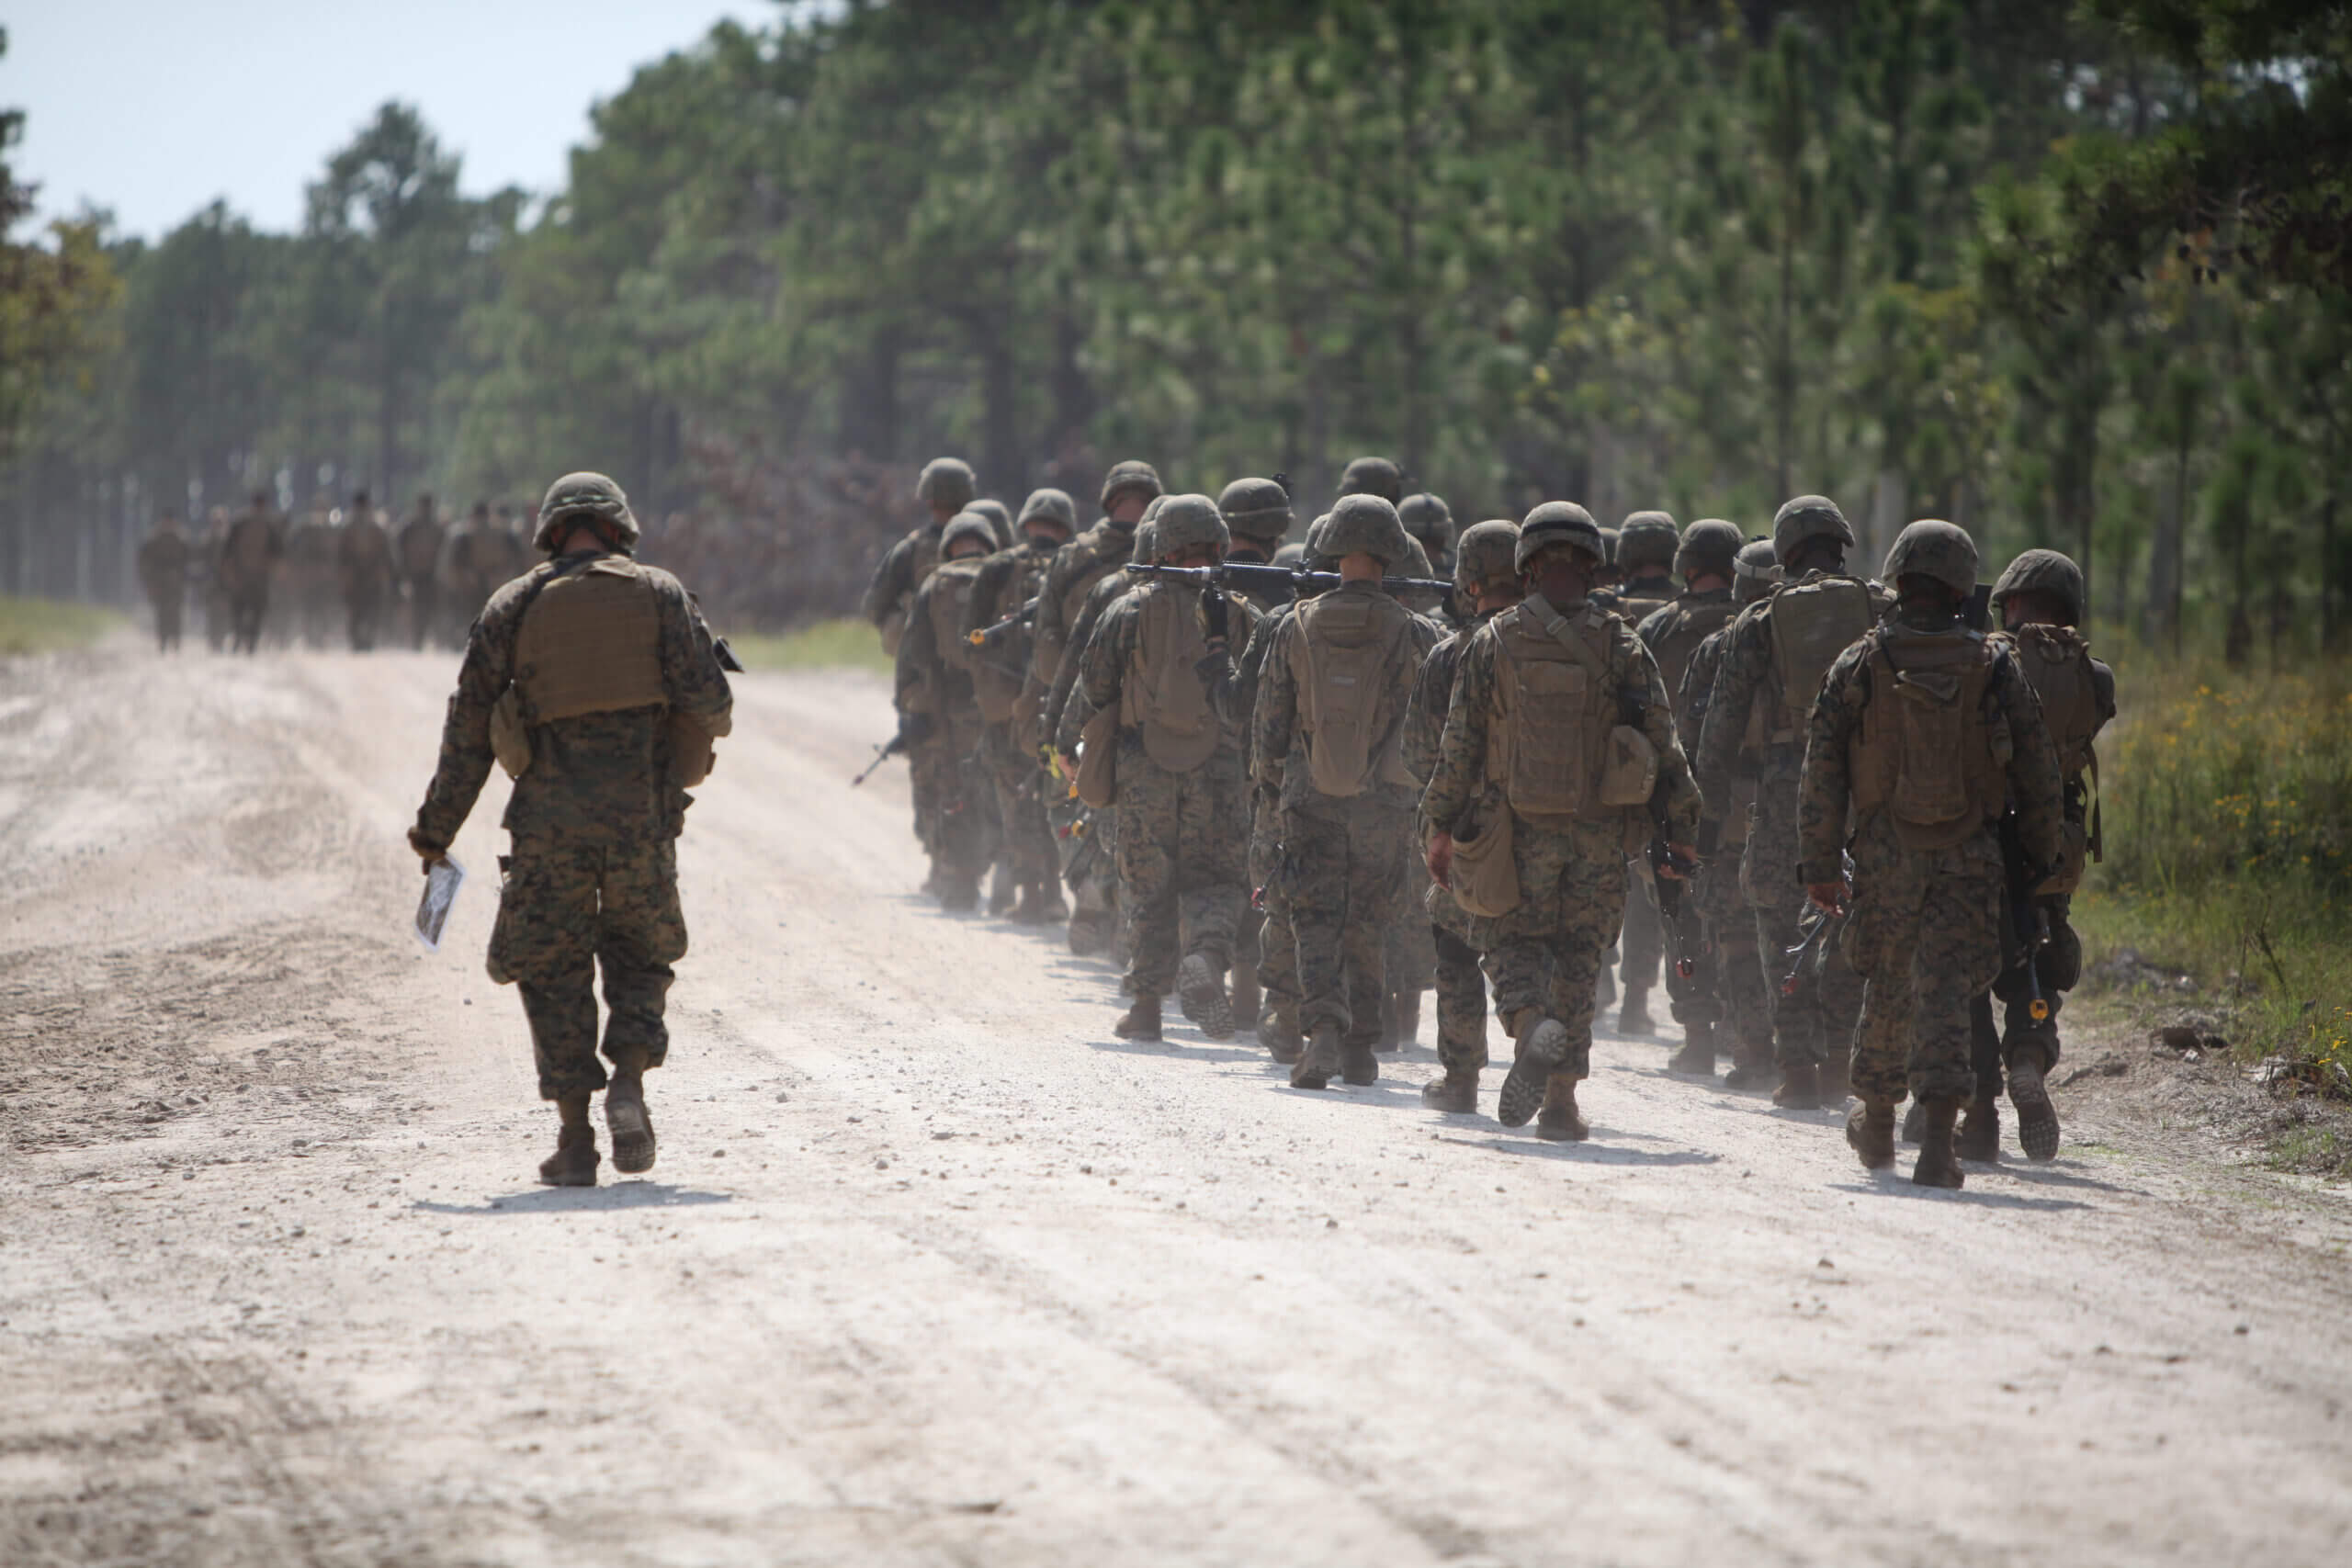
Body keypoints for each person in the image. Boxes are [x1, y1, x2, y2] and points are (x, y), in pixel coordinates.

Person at [407, 472, 733, 1188]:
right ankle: (630, 1081)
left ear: (552, 534)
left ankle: (576, 1137)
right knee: (642, 953)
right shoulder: (661, 594)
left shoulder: (513, 605)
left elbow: (469, 732)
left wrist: (436, 829)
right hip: (641, 819)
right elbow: (714, 703)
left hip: (548, 825)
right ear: (619, 530)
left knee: (551, 967)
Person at [1798, 520, 2064, 1189]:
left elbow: (1821, 767)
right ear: (1960, 588)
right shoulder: (1994, 664)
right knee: (1948, 989)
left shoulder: (1860, 661)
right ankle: (1939, 1141)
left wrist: (1820, 865)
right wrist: (2039, 861)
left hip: (1885, 852)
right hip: (1968, 856)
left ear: (1899, 579)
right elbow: (2038, 769)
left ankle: (1878, 1120)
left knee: (1888, 982)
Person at [1420, 502, 1699, 1136]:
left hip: (1514, 832)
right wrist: (1683, 830)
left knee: (1510, 941)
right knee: (1579, 962)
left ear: (1528, 567)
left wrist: (1438, 826)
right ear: (1593, 566)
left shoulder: (1493, 640)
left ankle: (1528, 1024)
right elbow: (1665, 744)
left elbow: (1458, 745)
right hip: (1598, 839)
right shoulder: (1623, 644)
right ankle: (1562, 1104)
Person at [1691, 495, 1880, 1110]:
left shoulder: (1760, 621)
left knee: (1777, 926)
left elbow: (1720, 728)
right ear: (1840, 546)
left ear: (1786, 551)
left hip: (1783, 793)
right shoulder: (1880, 609)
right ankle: (1839, 1065)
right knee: (1849, 924)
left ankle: (1796, 1069)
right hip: (1863, 792)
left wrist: (1708, 815)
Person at [1252, 495, 1437, 1089]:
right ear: (1391, 553)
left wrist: (1272, 791)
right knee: (1368, 920)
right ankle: (1361, 1046)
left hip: (1310, 794)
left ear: (1333, 550)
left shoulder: (1296, 623)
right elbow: (1433, 728)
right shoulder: (1418, 632)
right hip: (1386, 801)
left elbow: (1269, 725)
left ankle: (1324, 1032)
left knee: (1313, 916)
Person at [1076, 495, 1256, 1040]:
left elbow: (1094, 686)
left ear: (1162, 547)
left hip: (1144, 770)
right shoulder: (1240, 615)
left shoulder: (1127, 610)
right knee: (1218, 880)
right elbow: (1257, 698)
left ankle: (1147, 1008)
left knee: (1147, 887)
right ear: (1219, 545)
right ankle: (1205, 956)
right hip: (1219, 772)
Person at [1982, 547, 2114, 1160]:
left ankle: (1973, 1101)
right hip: (2054, 842)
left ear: (2011, 601)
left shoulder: (1991, 660)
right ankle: (2029, 1056)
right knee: (2036, 959)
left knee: (1966, 966)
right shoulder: (2095, 676)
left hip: (1985, 833)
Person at [1402, 518, 1520, 1111]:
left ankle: (1462, 1077)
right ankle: (1547, 1068)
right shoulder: (1551, 645)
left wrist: (1438, 820)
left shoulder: (1450, 654)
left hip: (1466, 829)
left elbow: (1417, 752)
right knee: (1528, 947)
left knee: (1454, 945)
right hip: (1544, 826)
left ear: (1469, 583)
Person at [1027, 460, 1164, 952]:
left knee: (1065, 800)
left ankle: (1090, 889)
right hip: (1166, 721)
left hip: (1088, 708)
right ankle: (1125, 913)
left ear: (1109, 499)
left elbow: (1054, 653)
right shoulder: (1182, 563)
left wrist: (1053, 729)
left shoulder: (1074, 559)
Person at [1667, 537, 1781, 1081]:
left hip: (1735, 809)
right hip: (1811, 806)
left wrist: (1697, 821)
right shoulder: (1829, 639)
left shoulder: (1719, 648)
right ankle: (1812, 1057)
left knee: (1734, 930)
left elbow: (1692, 739)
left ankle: (1754, 1047)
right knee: (1800, 926)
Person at [1633, 518, 1743, 1071]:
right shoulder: (1754, 623)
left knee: (1680, 912)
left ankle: (1698, 1034)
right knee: (1740, 914)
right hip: (1744, 793)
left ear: (1687, 566)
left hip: (1673, 792)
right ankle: (1745, 1034)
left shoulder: (1658, 628)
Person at [966, 488, 1078, 924]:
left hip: (1011, 708)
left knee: (1015, 797)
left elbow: (969, 639)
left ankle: (1030, 894)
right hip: (1066, 704)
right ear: (1066, 526)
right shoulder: (1078, 564)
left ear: (1026, 524)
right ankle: (1057, 891)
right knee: (1061, 796)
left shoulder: (997, 568)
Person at [894, 512, 1002, 910]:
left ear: (949, 547)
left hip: (948, 707)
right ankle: (1013, 879)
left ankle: (959, 880)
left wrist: (910, 707)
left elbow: (913, 653)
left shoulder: (935, 584)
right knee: (1003, 787)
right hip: (999, 704)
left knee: (953, 790)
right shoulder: (1005, 576)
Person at [1607, 511, 1683, 1035]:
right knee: (1665, 884)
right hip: (1684, 766)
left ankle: (1608, 990)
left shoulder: (1614, 615)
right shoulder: (1689, 613)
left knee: (1620, 879)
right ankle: (1640, 998)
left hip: (1626, 764)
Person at [862, 457, 978, 658]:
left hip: (924, 660)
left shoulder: (910, 550)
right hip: (978, 654)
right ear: (967, 496)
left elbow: (874, 605)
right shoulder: (990, 545)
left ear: (929, 499)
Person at [218, 491, 283, 656]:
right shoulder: (268, 524)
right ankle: (251, 642)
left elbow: (227, 550)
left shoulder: (240, 522)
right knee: (257, 610)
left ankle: (240, 637)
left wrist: (227, 571)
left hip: (241, 575)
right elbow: (277, 552)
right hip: (259, 576)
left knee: (239, 609)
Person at [338, 489, 396, 651]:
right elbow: (341, 553)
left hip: (371, 573)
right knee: (356, 608)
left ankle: (366, 640)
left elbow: (386, 552)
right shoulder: (350, 527)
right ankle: (357, 640)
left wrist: (385, 571)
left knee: (370, 607)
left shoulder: (375, 526)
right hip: (356, 573)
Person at [137, 513, 190, 652]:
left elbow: (188, 559)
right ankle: (163, 640)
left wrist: (184, 577)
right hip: (160, 584)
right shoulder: (155, 540)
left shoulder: (180, 539)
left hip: (176, 584)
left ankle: (176, 640)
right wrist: (149, 579)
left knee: (175, 614)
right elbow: (144, 560)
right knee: (162, 614)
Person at [399, 493, 446, 649]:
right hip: (415, 573)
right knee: (416, 606)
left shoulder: (437, 528)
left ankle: (428, 637)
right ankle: (416, 638)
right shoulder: (409, 527)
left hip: (431, 573)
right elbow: (400, 549)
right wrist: (404, 571)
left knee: (430, 606)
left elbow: (443, 551)